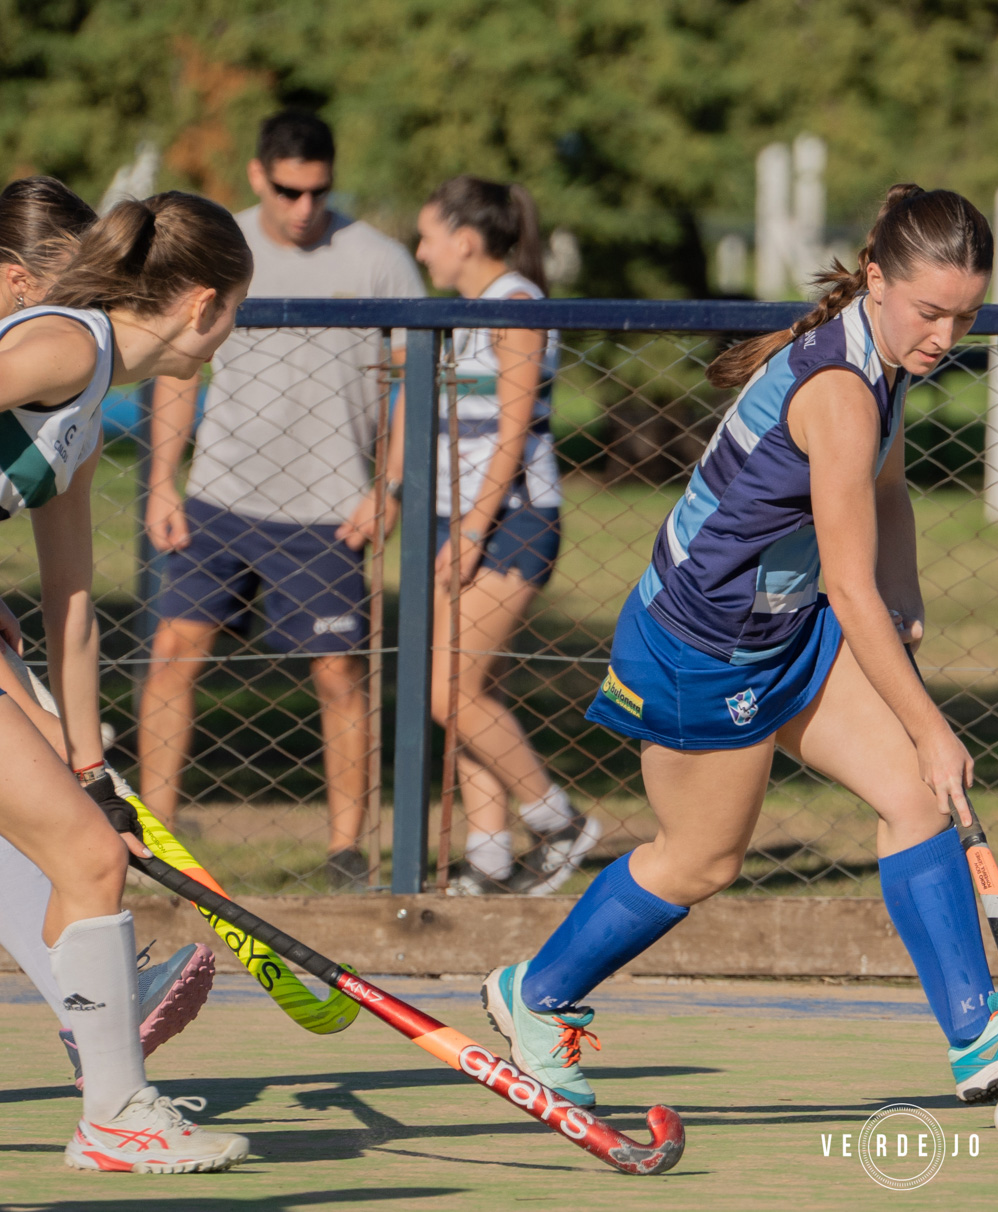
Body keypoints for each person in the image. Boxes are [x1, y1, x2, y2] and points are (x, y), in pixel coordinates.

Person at [475, 185, 998, 1109]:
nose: (943, 337)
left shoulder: (882, 360)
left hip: (787, 627)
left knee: (917, 799)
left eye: (965, 318)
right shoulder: (838, 391)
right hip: (701, 647)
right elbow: (847, 589)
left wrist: (908, 587)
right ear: (880, 279)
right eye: (930, 312)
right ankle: (534, 995)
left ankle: (978, 1036)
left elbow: (885, 495)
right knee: (702, 861)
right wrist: (929, 719)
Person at [0, 189, 254, 1171]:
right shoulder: (62, 347)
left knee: (83, 846)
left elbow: (69, 599)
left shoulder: (87, 412)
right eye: (237, 306)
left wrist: (87, 751)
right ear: (201, 304)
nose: (233, 328)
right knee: (88, 860)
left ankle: (114, 1097)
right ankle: (113, 1112)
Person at [139, 110, 426, 888]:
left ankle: (346, 855)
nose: (305, 208)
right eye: (290, 191)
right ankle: (154, 846)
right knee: (172, 658)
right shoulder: (218, 246)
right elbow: (177, 367)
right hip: (221, 498)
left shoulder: (379, 260)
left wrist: (387, 486)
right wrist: (164, 478)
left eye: (320, 191)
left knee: (340, 674)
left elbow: (411, 386)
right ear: (260, 174)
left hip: (329, 509)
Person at [348, 176, 600, 895]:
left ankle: (557, 821)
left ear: (464, 238)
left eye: (428, 235)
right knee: (467, 687)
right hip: (453, 519)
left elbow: (515, 430)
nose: (421, 250)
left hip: (509, 519)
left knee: (448, 690)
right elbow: (411, 406)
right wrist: (391, 494)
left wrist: (473, 527)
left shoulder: (516, 305)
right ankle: (489, 858)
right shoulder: (463, 312)